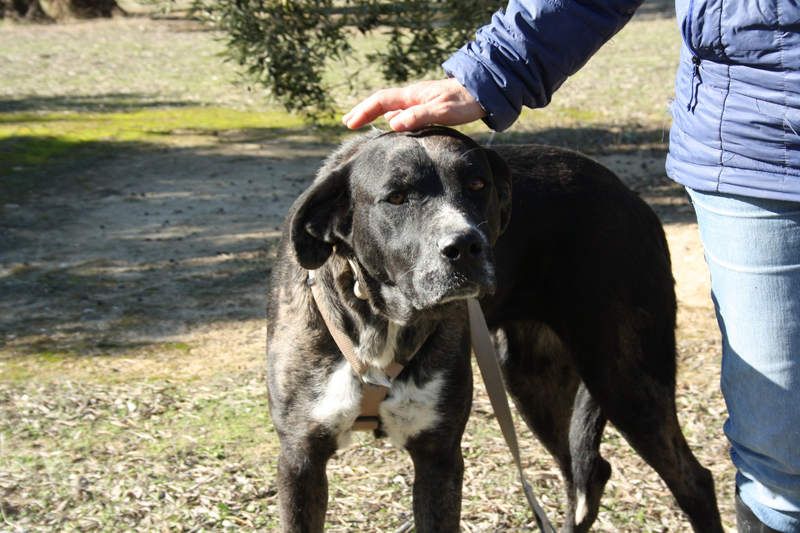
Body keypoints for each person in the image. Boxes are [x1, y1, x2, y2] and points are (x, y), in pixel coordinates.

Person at [343, 1, 800, 532]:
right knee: (780, 452)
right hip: (762, 142)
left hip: (611, 223)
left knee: (642, 409)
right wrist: (491, 68)